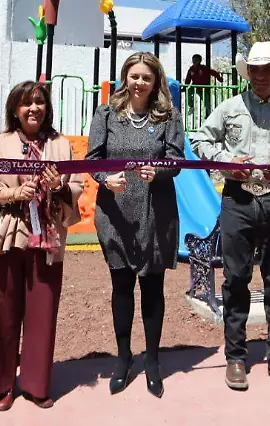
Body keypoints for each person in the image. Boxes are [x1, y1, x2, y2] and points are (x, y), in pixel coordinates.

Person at [191, 41, 270, 398]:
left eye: (267, 70)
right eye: (255, 70)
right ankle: (235, 357)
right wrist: (228, 160)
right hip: (238, 201)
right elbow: (200, 139)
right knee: (236, 280)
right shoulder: (229, 108)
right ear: (248, 73)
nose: (260, 76)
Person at [0, 81, 82, 411]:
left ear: (47, 108)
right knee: (1, 310)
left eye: (39, 102)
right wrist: (11, 194)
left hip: (46, 236)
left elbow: (76, 185)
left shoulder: (62, 145)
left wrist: (58, 185)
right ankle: (1, 384)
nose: (33, 108)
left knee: (42, 311)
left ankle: (36, 383)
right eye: (25, 103)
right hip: (6, 235)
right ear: (14, 110)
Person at [85, 52, 185, 398]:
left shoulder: (169, 116)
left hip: (155, 211)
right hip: (116, 211)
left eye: (147, 77)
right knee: (122, 286)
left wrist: (159, 171)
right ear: (125, 77)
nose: (140, 82)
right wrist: (104, 178)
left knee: (153, 289)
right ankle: (124, 358)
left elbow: (176, 161)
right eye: (134, 76)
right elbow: (92, 159)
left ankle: (153, 362)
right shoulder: (106, 114)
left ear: (156, 81)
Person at [184, 54, 223, 120]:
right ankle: (191, 106)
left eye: (196, 60)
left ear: (199, 61)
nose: (194, 61)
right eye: (193, 60)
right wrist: (185, 88)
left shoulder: (204, 68)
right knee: (188, 91)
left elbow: (213, 72)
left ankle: (209, 116)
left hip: (204, 88)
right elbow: (188, 79)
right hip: (195, 87)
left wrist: (219, 77)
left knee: (207, 103)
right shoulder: (191, 69)